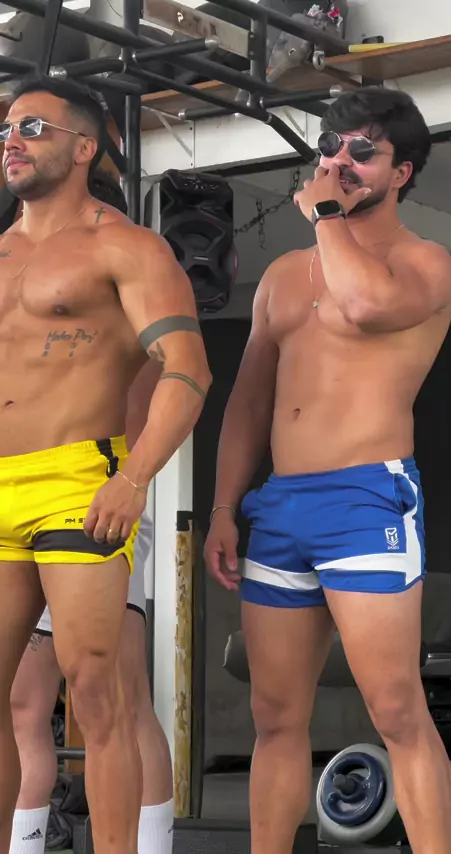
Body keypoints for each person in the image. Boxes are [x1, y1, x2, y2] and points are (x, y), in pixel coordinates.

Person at [204, 87, 451, 854]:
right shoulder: (283, 276)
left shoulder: (424, 261)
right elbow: (249, 400)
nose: (340, 161)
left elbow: (365, 306)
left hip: (365, 497)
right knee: (276, 715)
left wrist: (325, 218)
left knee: (396, 710)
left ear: (402, 172)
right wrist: (223, 507)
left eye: (363, 151)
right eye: (330, 146)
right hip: (280, 505)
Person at [0, 73, 211, 854]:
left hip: (78, 481)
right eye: (5, 130)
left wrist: (134, 476)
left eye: (32, 128)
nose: (12, 141)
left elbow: (188, 370)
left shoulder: (126, 246)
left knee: (97, 693)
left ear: (84, 147)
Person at [9, 171, 173, 854]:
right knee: (32, 701)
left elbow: (176, 381)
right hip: (34, 500)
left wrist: (131, 481)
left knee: (110, 696)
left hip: (99, 500)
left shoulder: (127, 284)